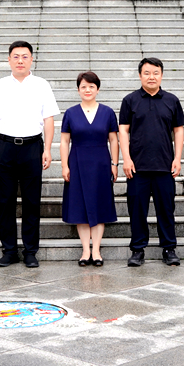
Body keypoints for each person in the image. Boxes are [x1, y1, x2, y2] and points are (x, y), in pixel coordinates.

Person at [0, 41, 59, 268]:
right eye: (16, 56)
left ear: (31, 60)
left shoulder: (41, 85)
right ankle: (9, 250)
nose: (20, 61)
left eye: (25, 56)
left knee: (32, 202)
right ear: (9, 60)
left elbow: (48, 119)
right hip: (4, 147)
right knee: (5, 201)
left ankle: (30, 251)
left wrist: (47, 149)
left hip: (32, 147)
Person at [119, 57, 184, 267]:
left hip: (164, 166)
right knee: (137, 210)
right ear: (140, 75)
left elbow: (178, 130)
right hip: (137, 167)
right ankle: (138, 250)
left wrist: (177, 158)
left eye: (156, 73)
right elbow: (123, 130)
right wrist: (126, 159)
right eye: (147, 73)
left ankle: (169, 249)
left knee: (166, 210)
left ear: (161, 75)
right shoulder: (130, 100)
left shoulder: (171, 100)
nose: (151, 77)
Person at [60, 72, 119, 267]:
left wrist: (115, 164)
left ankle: (96, 250)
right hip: (77, 162)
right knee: (80, 206)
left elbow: (113, 140)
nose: (87, 90)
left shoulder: (108, 112)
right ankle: (86, 250)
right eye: (83, 87)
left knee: (99, 205)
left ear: (98, 89)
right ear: (78, 90)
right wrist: (64, 165)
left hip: (101, 163)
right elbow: (64, 141)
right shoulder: (70, 113)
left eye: (91, 86)